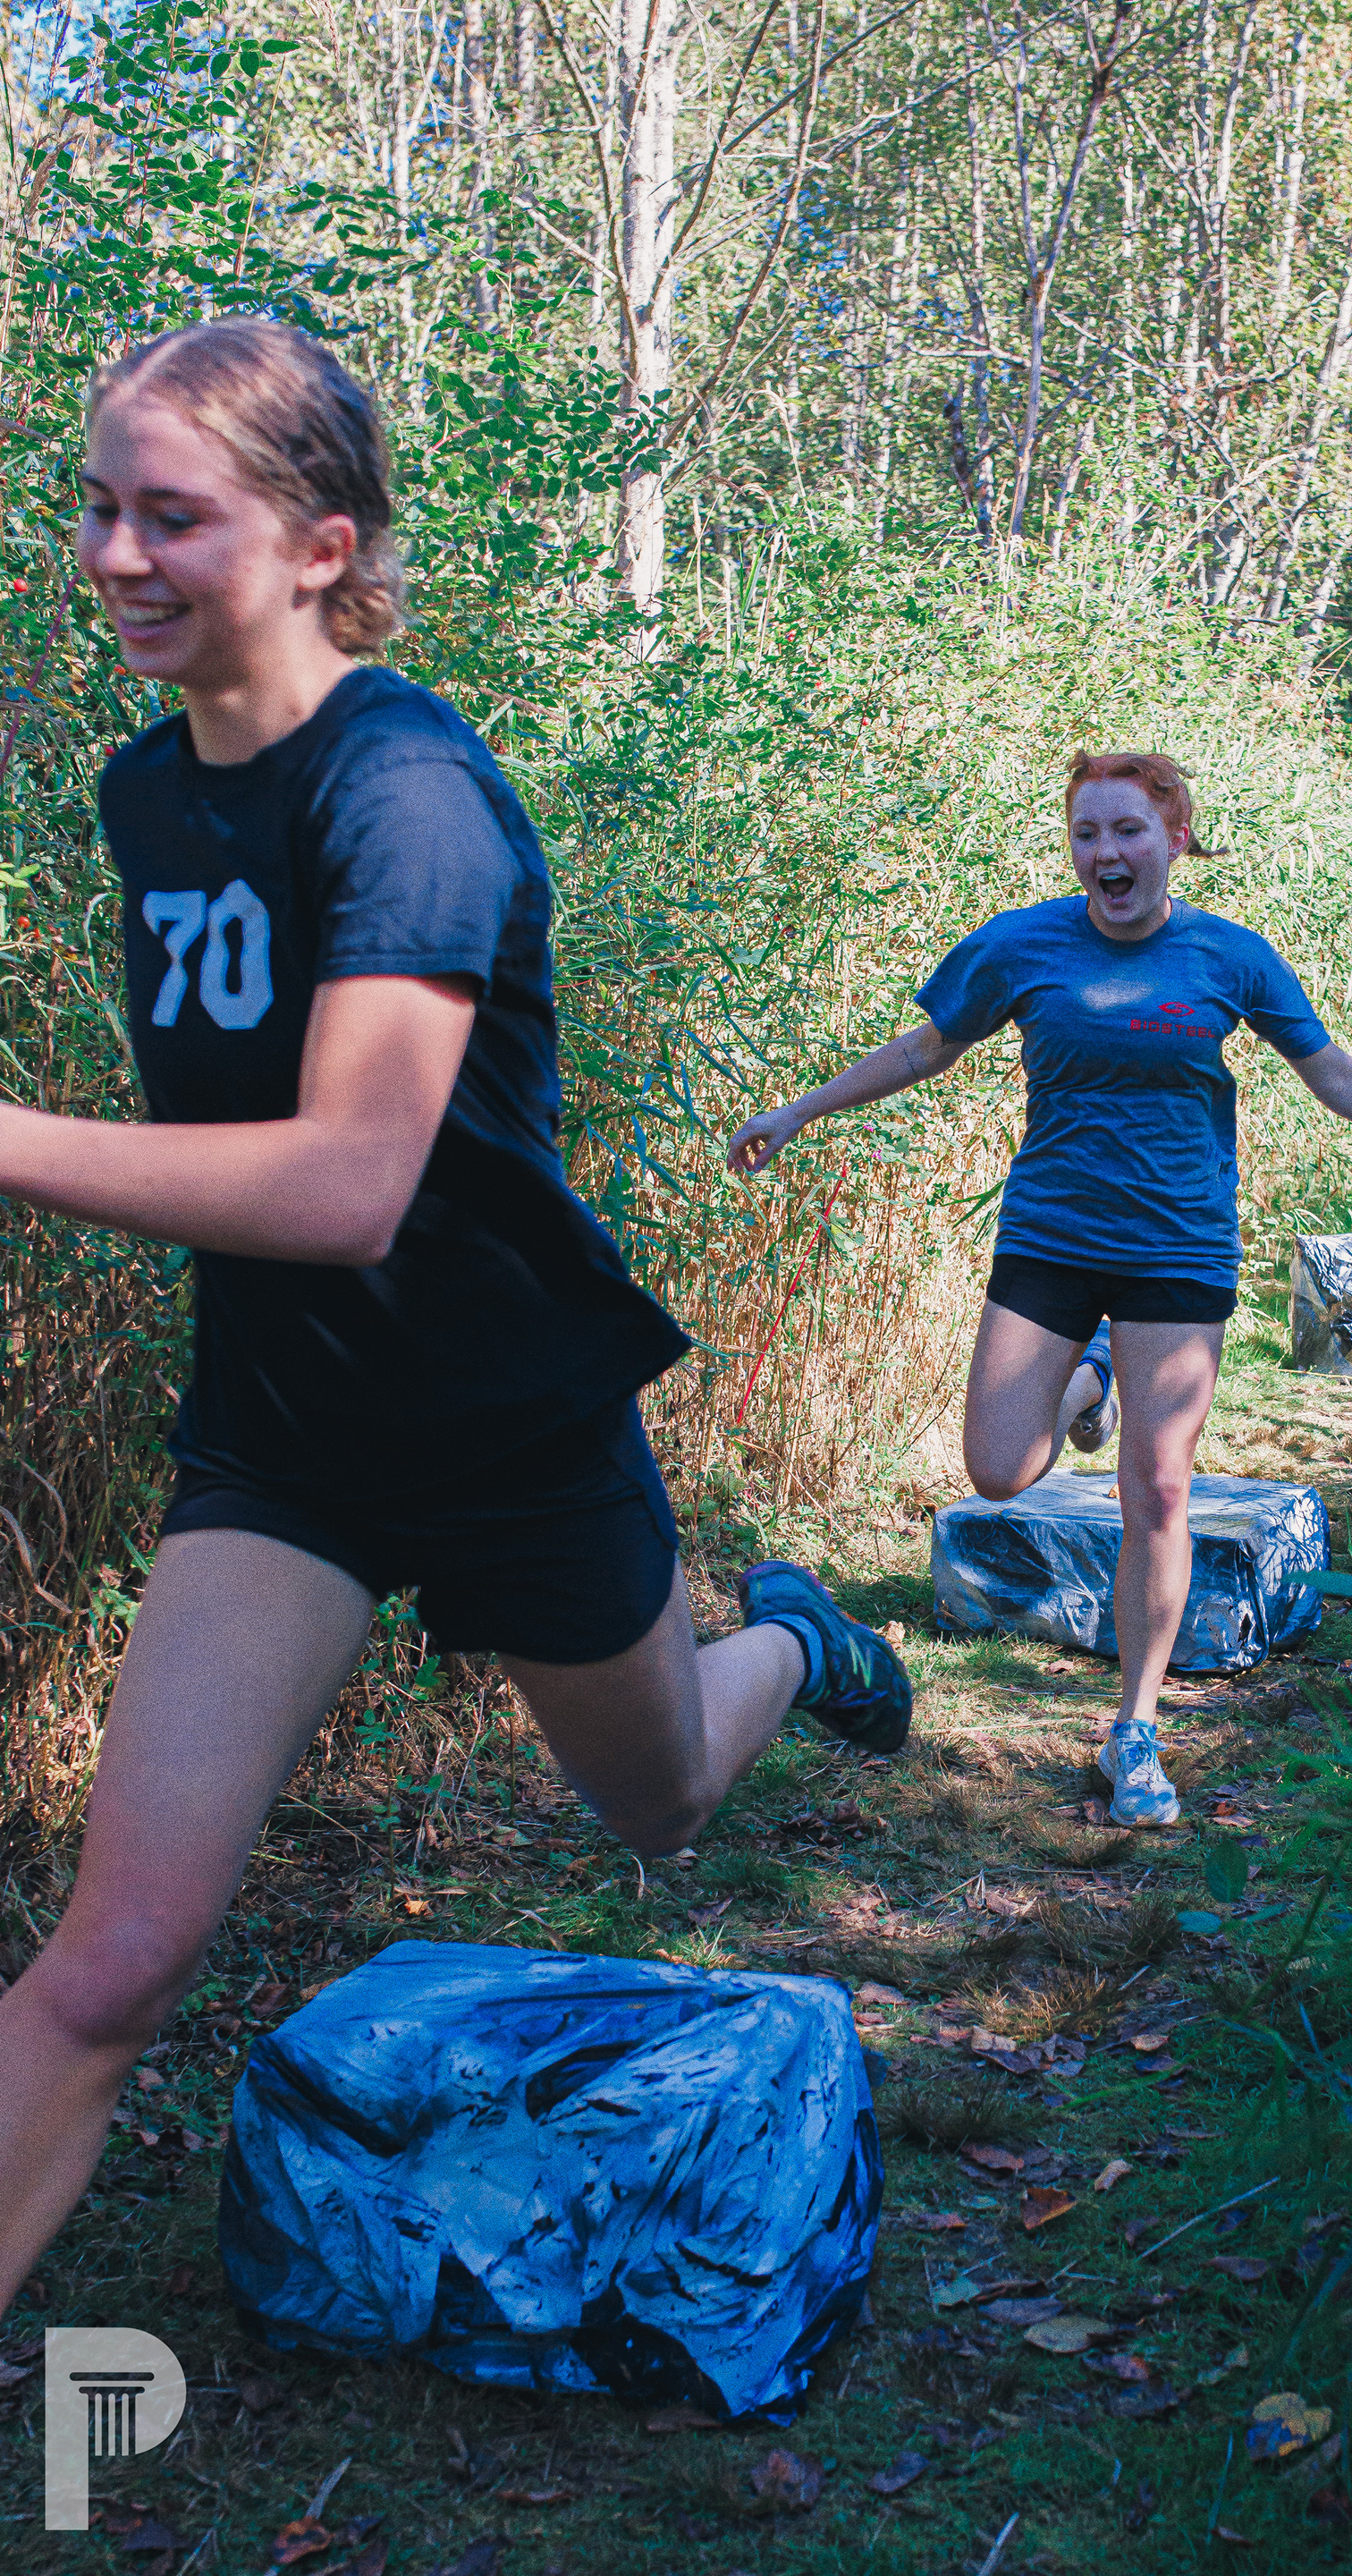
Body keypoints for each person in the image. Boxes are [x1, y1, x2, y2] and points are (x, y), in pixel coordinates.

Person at [0, 318, 909, 2312]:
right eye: (97, 507)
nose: (118, 555)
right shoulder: (147, 793)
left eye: (174, 516)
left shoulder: (407, 788)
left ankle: (795, 1640)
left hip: (509, 1419)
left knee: (663, 1805)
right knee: (117, 1959)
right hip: (287, 1443)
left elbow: (351, 1183)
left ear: (321, 545)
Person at [728, 749, 1352, 1828]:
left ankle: (1134, 1733)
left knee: (1156, 1490)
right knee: (998, 1470)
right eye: (1087, 833)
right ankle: (1091, 1381)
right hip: (1051, 1237)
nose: (1106, 851)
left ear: (1175, 840)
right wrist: (797, 1112)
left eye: (1128, 831)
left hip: (1177, 1248)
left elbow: (1334, 1073)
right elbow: (924, 1049)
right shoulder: (1021, 945)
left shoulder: (1230, 957)